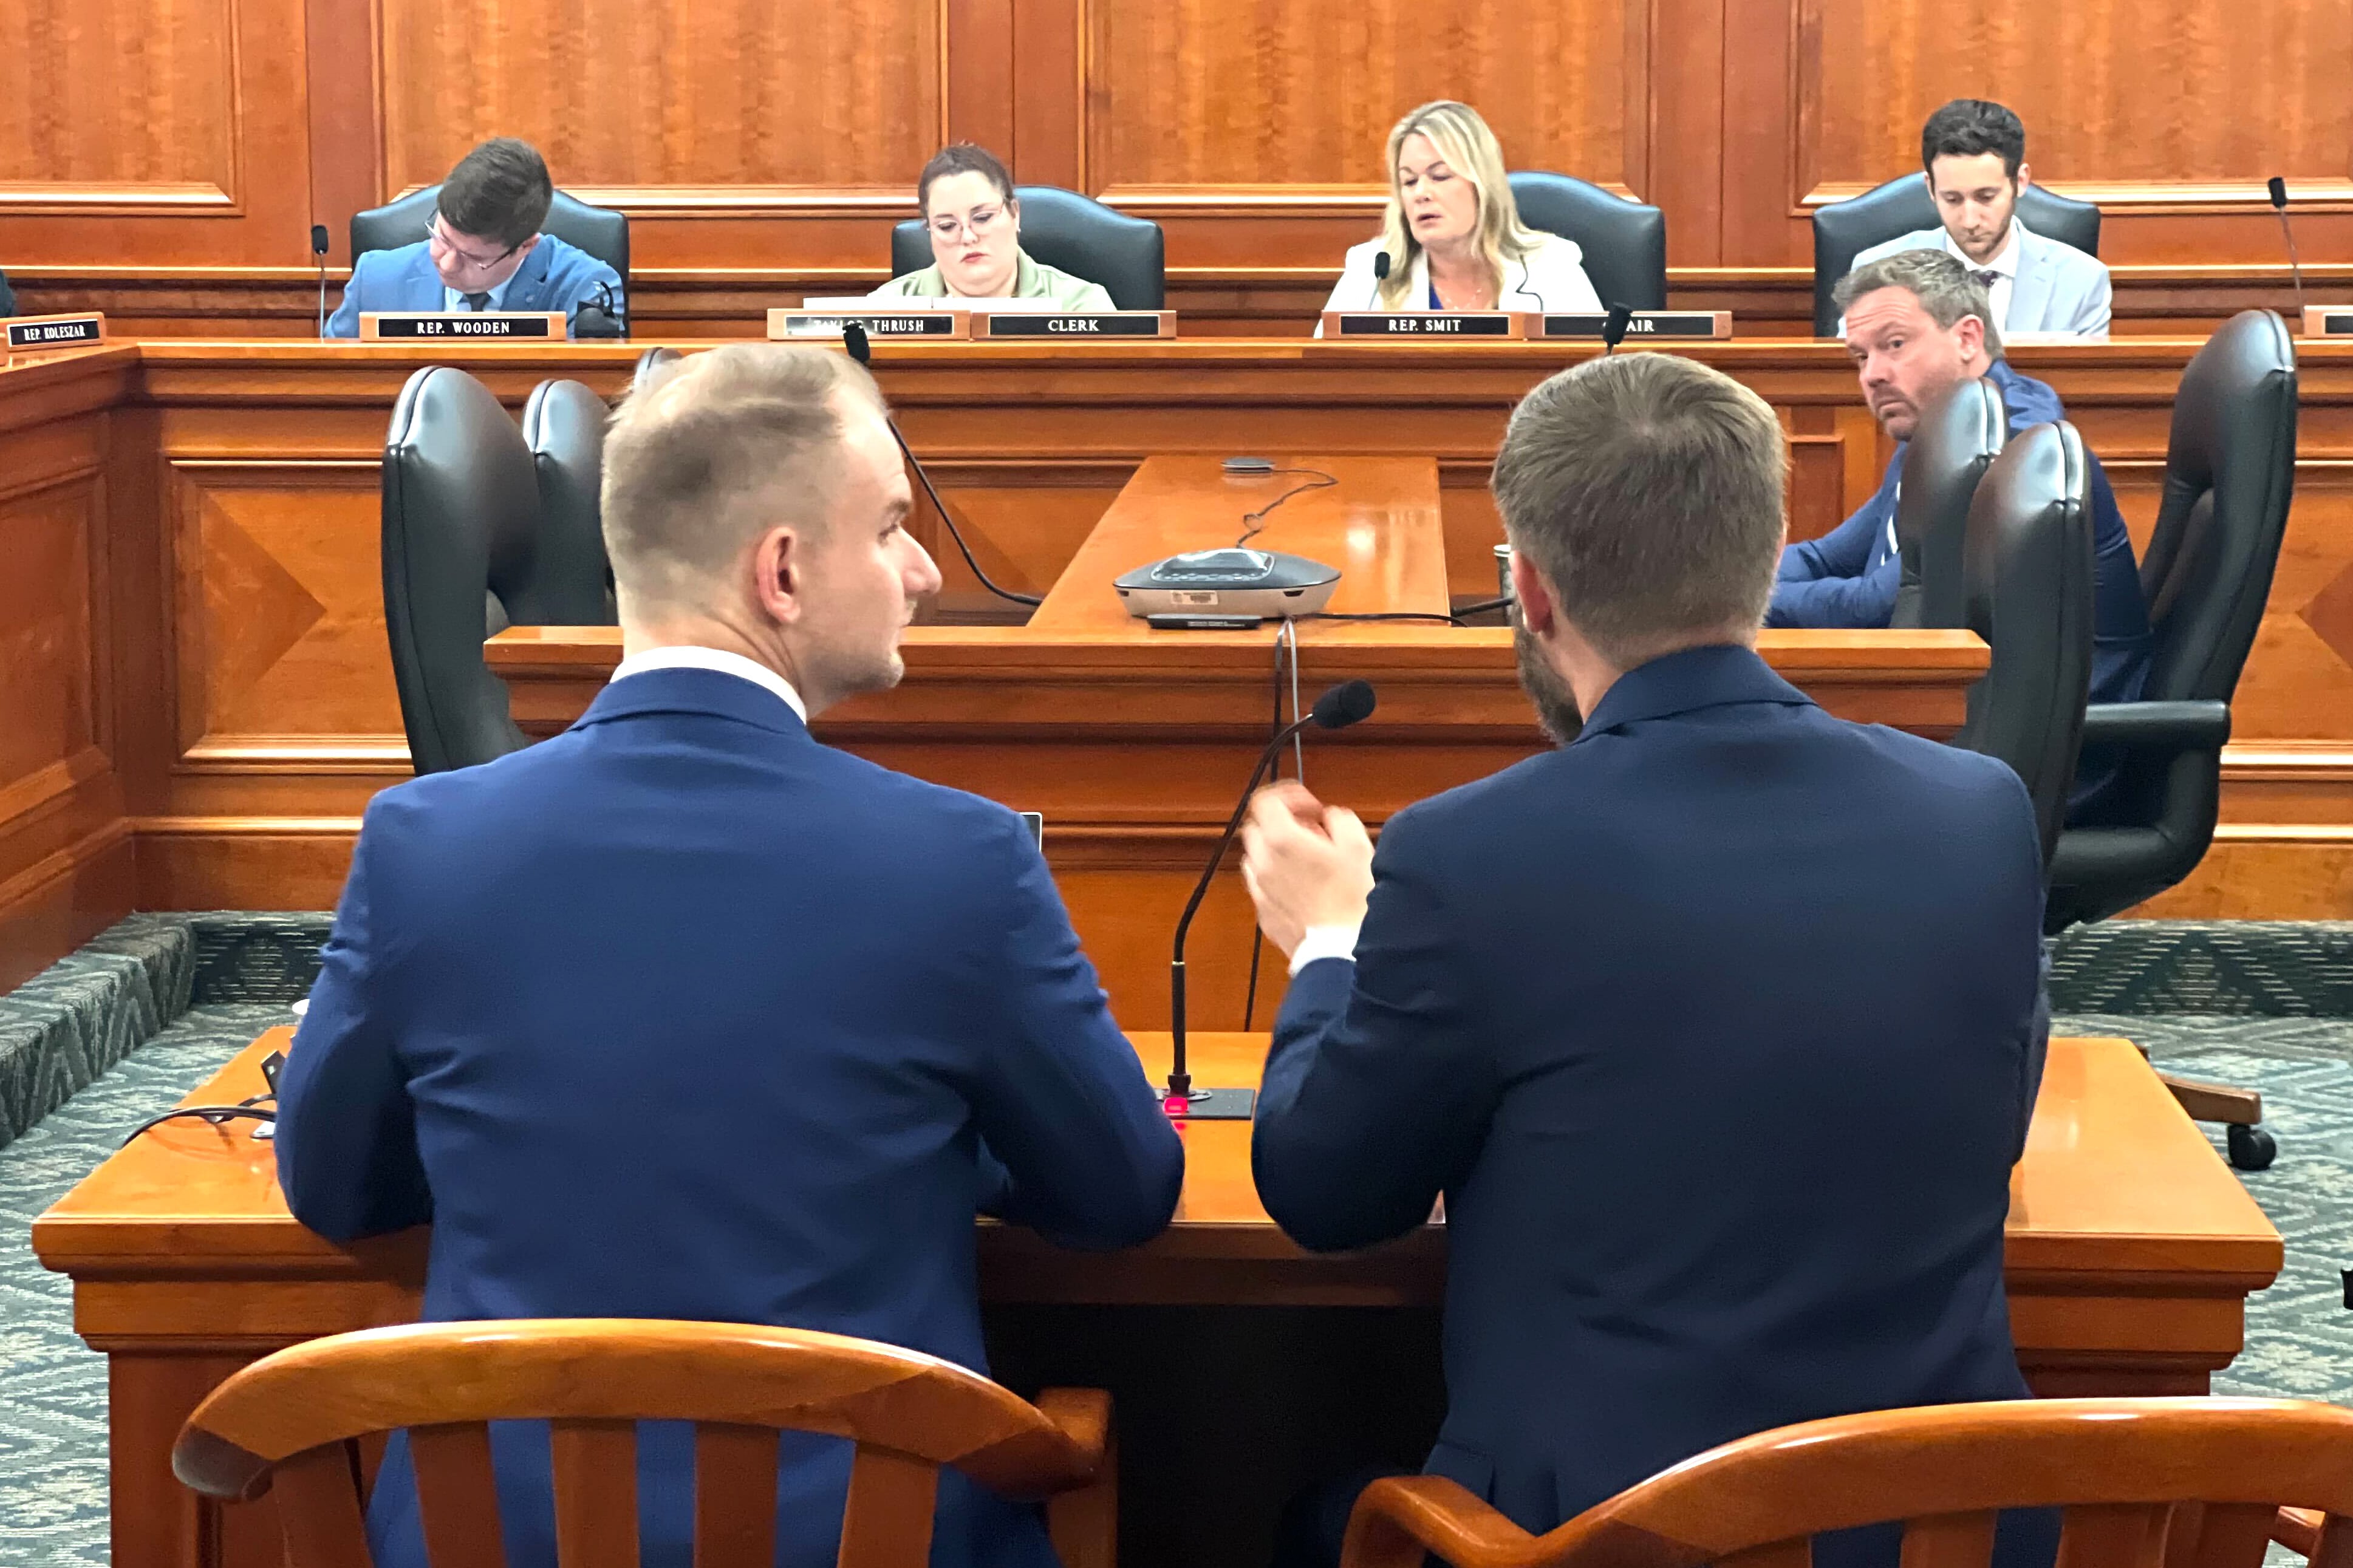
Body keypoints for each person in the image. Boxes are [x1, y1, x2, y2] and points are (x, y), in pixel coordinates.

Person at [274, 343, 1184, 1568]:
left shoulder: (422, 842)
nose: (920, 571)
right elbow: (1121, 1195)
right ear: (784, 570)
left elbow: (337, 1192)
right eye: (892, 526)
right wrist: (938, 1142)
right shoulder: (958, 859)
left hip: (500, 1535)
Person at [1242, 351, 2052, 1568]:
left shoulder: (1467, 855)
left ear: (1528, 588)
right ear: (1767, 547)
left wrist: (1329, 939)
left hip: (1602, 1537)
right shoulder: (1978, 811)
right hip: (1941, 1529)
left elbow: (1325, 1193)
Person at [1773, 248, 2151, 711]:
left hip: (2058, 748)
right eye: (1860, 356)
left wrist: (1726, 604)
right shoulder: (1942, 427)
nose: (1872, 375)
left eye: (1894, 345)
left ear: (1968, 338)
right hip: (1971, 717)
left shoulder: (2009, 448)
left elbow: (1881, 607)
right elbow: (1828, 558)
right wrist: (1728, 581)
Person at [1317, 100, 1603, 322]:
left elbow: (1596, 381)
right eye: (1409, 181)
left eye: (1440, 176)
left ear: (1483, 185)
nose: (1421, 194)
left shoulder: (1551, 267)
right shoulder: (1373, 272)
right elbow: (1323, 377)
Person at [1848, 99, 2111, 340]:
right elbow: (1852, 379)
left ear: (2020, 182)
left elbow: (2084, 385)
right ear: (1930, 188)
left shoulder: (2082, 280)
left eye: (1986, 197)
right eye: (1952, 199)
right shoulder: (1877, 273)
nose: (1970, 221)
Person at [324, 137, 623, 338]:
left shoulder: (585, 290)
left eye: (474, 258)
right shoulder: (377, 278)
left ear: (526, 247)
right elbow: (329, 383)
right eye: (442, 238)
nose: (448, 264)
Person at [867, 144, 1116, 309]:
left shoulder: (1081, 305)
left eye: (983, 218)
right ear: (930, 232)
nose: (968, 237)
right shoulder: (883, 309)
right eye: (946, 226)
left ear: (1015, 214)